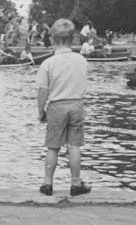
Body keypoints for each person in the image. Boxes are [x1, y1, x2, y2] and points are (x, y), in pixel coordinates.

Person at [37, 18, 91, 197]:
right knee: (74, 146)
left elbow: (43, 91)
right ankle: (76, 184)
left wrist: (41, 112)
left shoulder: (48, 63)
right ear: (73, 39)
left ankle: (47, 183)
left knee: (53, 147)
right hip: (76, 104)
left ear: (52, 39)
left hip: (56, 106)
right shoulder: (81, 60)